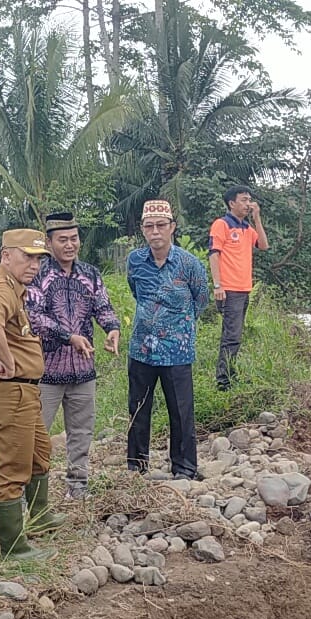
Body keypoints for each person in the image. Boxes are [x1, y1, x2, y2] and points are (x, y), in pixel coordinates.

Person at [0, 229, 61, 561]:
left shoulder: (13, 287)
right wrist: (8, 360)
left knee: (40, 452)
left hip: (23, 391)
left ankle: (39, 516)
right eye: (27, 256)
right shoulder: (0, 287)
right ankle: (13, 547)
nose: (34, 264)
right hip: (9, 392)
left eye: (39, 258)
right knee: (12, 468)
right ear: (6, 255)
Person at [25, 212, 121, 500]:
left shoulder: (90, 274)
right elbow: (34, 317)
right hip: (46, 370)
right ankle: (29, 490)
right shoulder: (38, 274)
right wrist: (69, 337)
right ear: (50, 242)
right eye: (63, 240)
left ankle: (78, 486)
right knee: (36, 434)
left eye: (74, 239)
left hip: (83, 369)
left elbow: (103, 306)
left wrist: (112, 328)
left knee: (81, 432)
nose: (70, 245)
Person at [125, 199, 209, 480]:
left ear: (172, 227)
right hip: (142, 348)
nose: (155, 232)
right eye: (149, 226)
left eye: (161, 225)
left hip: (177, 350)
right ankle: (137, 465)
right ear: (142, 229)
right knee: (138, 409)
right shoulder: (135, 260)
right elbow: (136, 292)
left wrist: (178, 326)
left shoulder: (189, 263)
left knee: (181, 412)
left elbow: (201, 299)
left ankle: (184, 467)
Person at [208, 185, 269, 391]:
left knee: (236, 335)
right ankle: (223, 382)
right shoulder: (222, 225)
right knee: (231, 336)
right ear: (231, 203)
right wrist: (218, 285)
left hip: (244, 289)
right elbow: (214, 254)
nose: (248, 204)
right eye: (243, 200)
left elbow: (263, 245)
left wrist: (257, 219)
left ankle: (230, 376)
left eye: (249, 200)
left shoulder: (246, 228)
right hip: (229, 289)